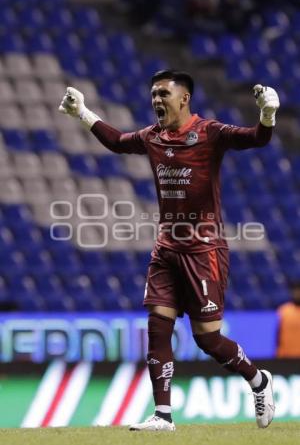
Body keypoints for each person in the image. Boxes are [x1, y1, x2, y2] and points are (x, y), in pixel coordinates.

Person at [59, 70, 280, 431]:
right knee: (158, 328)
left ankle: (259, 381)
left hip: (203, 250)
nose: (156, 100)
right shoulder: (152, 136)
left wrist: (267, 116)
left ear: (184, 98)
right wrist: (83, 112)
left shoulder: (210, 133)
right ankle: (163, 415)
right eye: (153, 94)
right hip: (166, 248)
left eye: (163, 93)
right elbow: (117, 142)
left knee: (207, 339)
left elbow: (254, 138)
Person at [277, 281, 300, 357]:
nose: (297, 294)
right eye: (295, 291)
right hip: (286, 356)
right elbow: (277, 334)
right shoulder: (283, 310)